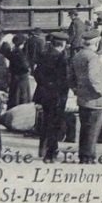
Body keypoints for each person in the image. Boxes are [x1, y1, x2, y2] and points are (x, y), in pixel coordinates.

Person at [70, 29, 102, 164]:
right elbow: (93, 77)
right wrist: (100, 92)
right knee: (93, 129)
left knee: (85, 128)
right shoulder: (93, 58)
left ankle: (83, 155)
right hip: (94, 100)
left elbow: (71, 76)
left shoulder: (78, 55)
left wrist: (76, 90)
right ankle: (89, 157)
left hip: (82, 98)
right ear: (96, 44)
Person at [33, 32, 70, 163]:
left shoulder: (44, 55)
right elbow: (64, 79)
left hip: (44, 94)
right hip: (57, 96)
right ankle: (51, 153)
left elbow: (36, 73)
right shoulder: (61, 58)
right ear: (63, 44)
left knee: (46, 122)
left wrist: (45, 84)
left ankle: (43, 149)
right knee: (55, 124)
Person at [7, 34, 31, 108]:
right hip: (22, 78)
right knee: (22, 97)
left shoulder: (13, 51)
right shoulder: (20, 53)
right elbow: (25, 66)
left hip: (15, 77)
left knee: (15, 97)